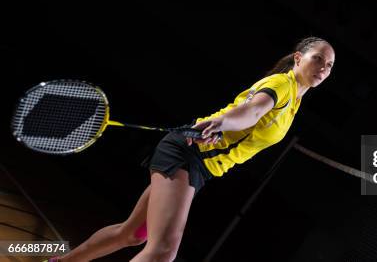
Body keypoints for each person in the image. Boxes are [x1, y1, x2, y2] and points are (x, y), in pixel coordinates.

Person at [47, 36, 335, 262]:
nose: (323, 67)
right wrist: (222, 122)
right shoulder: (282, 84)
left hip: (199, 165)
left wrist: (224, 124)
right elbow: (251, 111)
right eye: (318, 58)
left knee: (133, 233)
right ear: (298, 58)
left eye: (329, 65)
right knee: (162, 252)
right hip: (188, 154)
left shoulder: (295, 101)